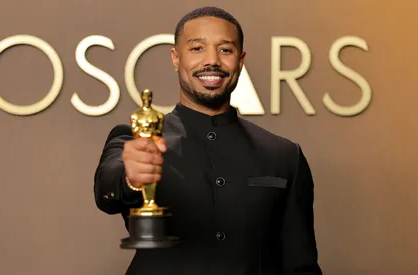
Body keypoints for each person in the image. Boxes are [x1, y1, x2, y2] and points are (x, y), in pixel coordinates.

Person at [94, 6, 322, 275]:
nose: (212, 61)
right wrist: (131, 178)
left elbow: (300, 264)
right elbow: (107, 192)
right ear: (176, 58)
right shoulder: (134, 137)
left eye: (225, 49)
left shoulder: (286, 155)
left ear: (241, 59)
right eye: (197, 48)